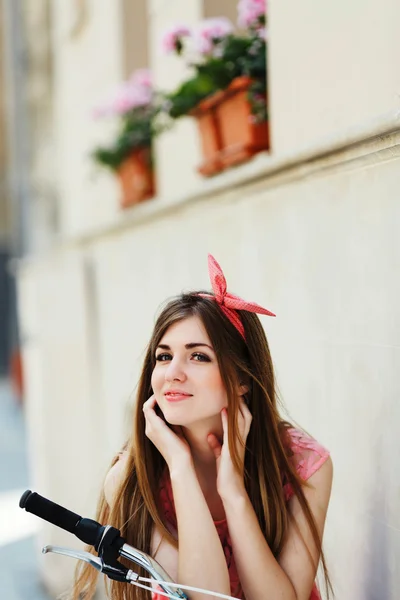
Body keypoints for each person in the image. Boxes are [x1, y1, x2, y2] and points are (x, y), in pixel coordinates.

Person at [71, 255, 333, 600]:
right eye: (163, 356)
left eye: (198, 356)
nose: (173, 373)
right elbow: (204, 598)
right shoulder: (135, 477)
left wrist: (233, 492)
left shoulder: (303, 464)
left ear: (242, 379)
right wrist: (180, 469)